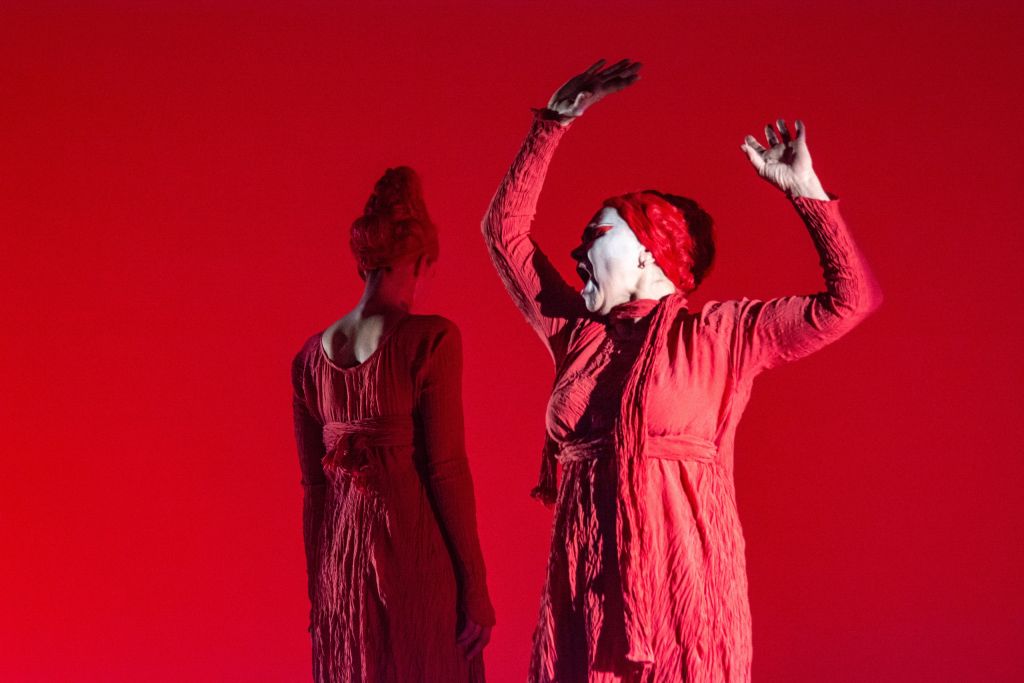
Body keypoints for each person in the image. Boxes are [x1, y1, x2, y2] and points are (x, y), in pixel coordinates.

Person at [481, 60, 882, 682]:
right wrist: (552, 124)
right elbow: (505, 232)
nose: (577, 251)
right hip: (584, 593)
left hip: (683, 597)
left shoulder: (723, 334)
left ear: (648, 252)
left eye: (595, 235)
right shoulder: (575, 334)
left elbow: (850, 301)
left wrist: (806, 191)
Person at [292, 167, 495, 682]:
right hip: (414, 560)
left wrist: (321, 594)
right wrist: (475, 587)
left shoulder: (308, 360)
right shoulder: (431, 339)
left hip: (340, 570)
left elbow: (314, 491)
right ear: (421, 262)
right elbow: (447, 471)